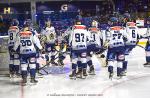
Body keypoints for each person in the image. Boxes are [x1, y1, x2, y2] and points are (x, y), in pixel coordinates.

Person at [13, 20, 43, 85]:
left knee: (23, 66)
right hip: (31, 52)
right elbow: (36, 42)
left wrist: (14, 49)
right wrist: (41, 48)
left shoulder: (19, 33)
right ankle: (32, 79)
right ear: (29, 26)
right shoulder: (32, 33)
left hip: (23, 53)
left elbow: (16, 44)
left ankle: (24, 80)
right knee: (32, 66)